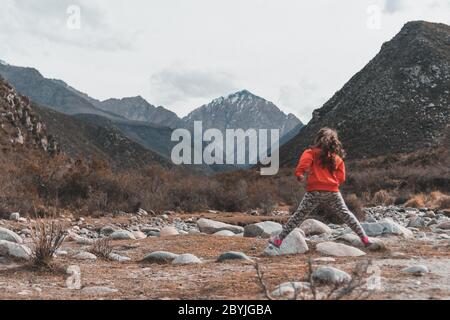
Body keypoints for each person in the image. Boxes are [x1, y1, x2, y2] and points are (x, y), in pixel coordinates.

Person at [270, 128, 380, 250]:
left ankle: (279, 239)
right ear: (334, 142)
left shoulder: (310, 152)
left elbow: (303, 165)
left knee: (299, 216)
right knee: (346, 215)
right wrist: (332, 182)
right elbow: (341, 177)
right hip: (332, 192)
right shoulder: (336, 158)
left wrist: (300, 175)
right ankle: (365, 239)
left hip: (314, 191)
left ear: (318, 139)